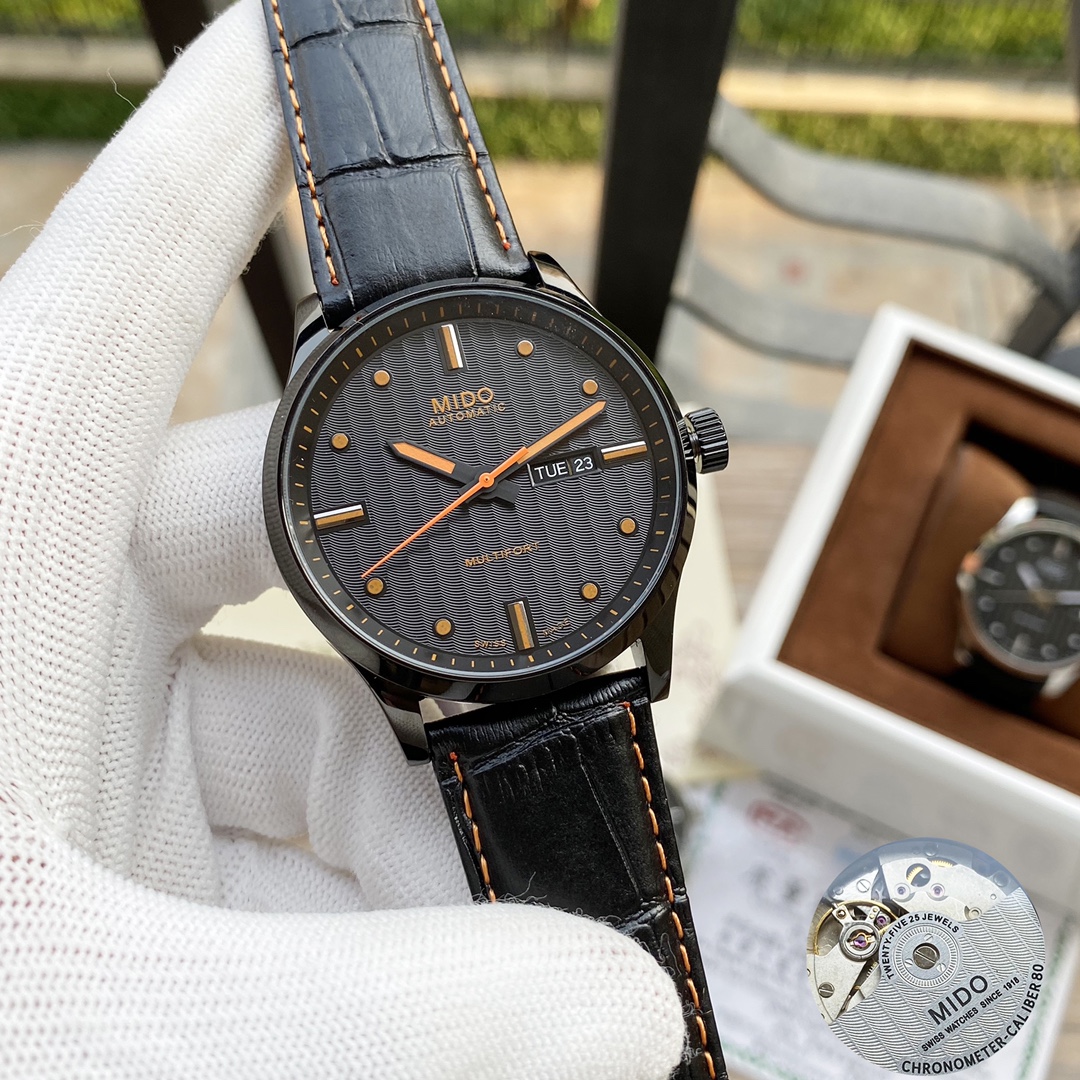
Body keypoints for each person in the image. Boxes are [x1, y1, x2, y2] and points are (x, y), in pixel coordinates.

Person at [0, 1, 684, 1075]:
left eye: (498, 475)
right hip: (463, 667)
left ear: (680, 447)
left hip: (555, 633)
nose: (484, 483)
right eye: (468, 482)